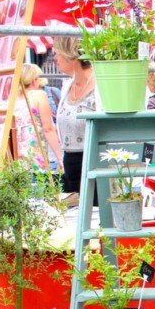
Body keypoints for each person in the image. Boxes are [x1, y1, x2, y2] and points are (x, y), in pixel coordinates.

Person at [52, 36, 97, 196]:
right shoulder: (67, 86)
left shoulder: (100, 84)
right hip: (71, 163)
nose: (55, 57)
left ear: (70, 54)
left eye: (57, 52)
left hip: (95, 162)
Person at [12, 62, 64, 171]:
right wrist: (60, 157)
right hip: (34, 154)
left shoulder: (13, 99)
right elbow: (48, 129)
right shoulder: (38, 95)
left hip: (15, 154)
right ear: (34, 79)